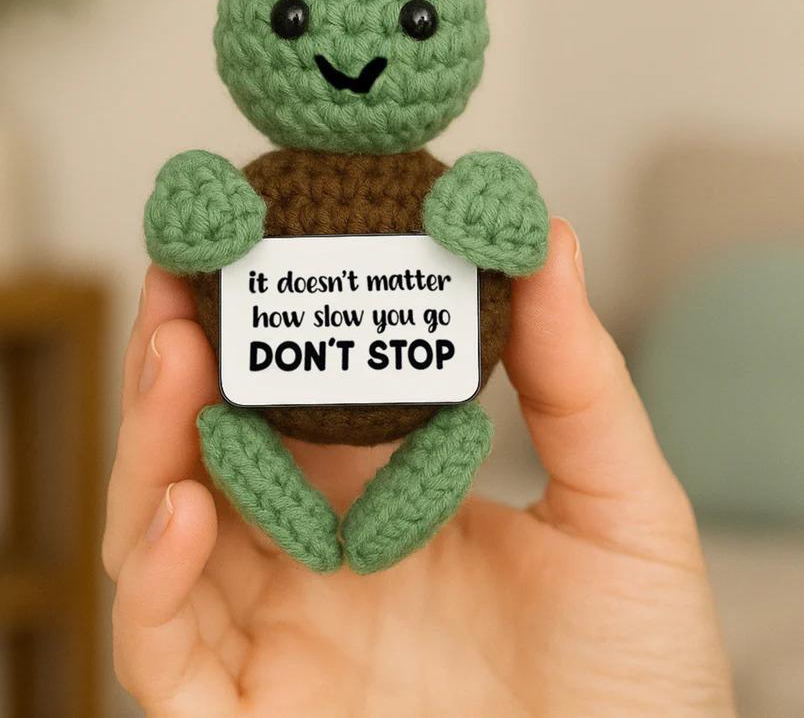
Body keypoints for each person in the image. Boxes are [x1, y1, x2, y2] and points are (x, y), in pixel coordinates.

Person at [103, 219, 736, 716]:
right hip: (267, 392)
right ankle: (301, 525)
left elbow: (511, 229)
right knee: (219, 423)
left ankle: (375, 531)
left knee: (461, 429)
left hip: (432, 399)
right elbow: (185, 223)